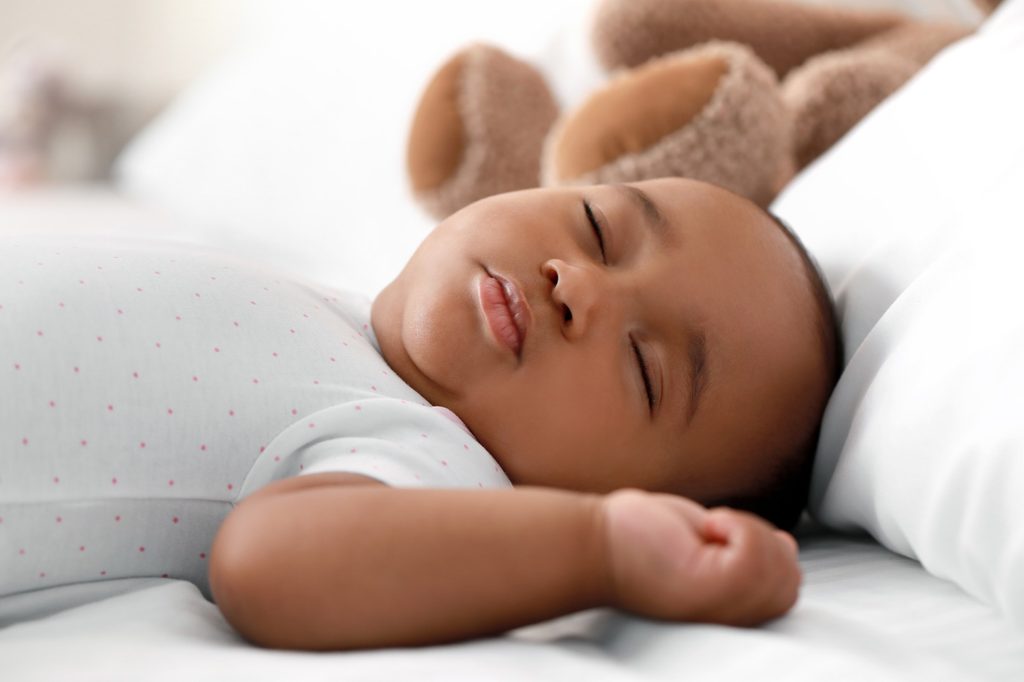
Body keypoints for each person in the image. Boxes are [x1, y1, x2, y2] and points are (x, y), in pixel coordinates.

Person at [0, 177, 839, 651]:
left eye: (642, 367)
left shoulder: (431, 457)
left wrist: (601, 547)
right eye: (599, 227)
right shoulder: (341, 308)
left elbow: (269, 566)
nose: (578, 283)